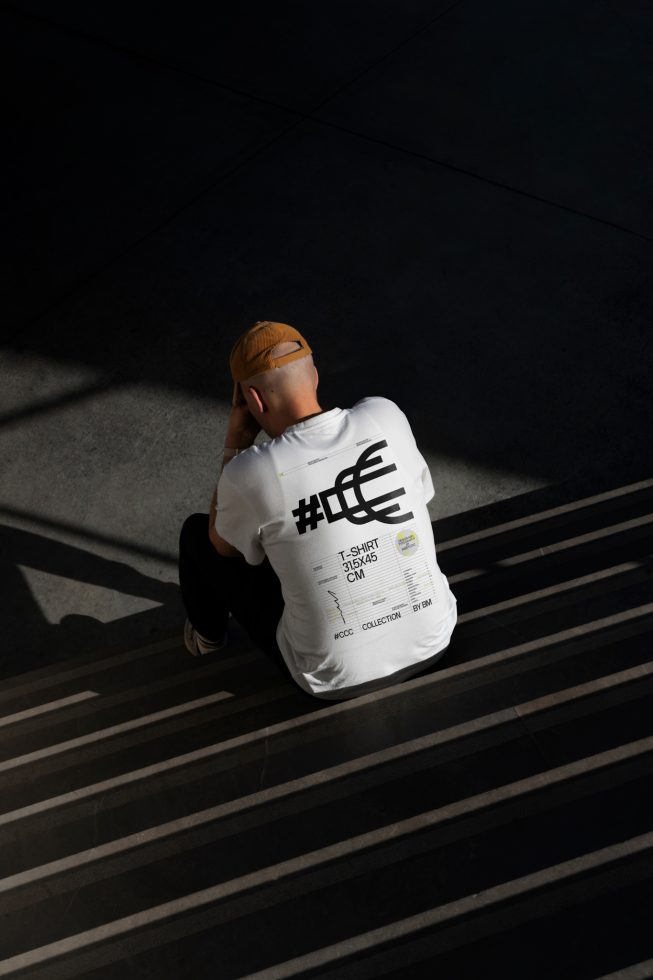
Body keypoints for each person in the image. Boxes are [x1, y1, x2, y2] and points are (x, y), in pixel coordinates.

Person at [178, 319, 457, 700]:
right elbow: (421, 495)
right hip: (434, 640)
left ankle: (208, 637)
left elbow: (222, 547)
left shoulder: (251, 471)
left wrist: (236, 440)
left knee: (198, 534)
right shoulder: (384, 415)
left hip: (331, 680)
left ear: (254, 402)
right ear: (314, 376)